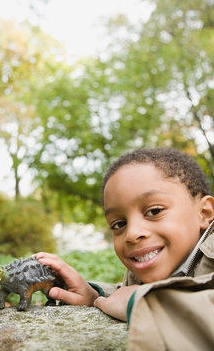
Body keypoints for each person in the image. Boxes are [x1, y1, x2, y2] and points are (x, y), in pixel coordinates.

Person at [34, 148, 214, 350]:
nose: (132, 234)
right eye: (119, 224)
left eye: (154, 211)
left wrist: (144, 304)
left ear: (204, 213)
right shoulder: (145, 271)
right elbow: (126, 292)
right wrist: (95, 296)